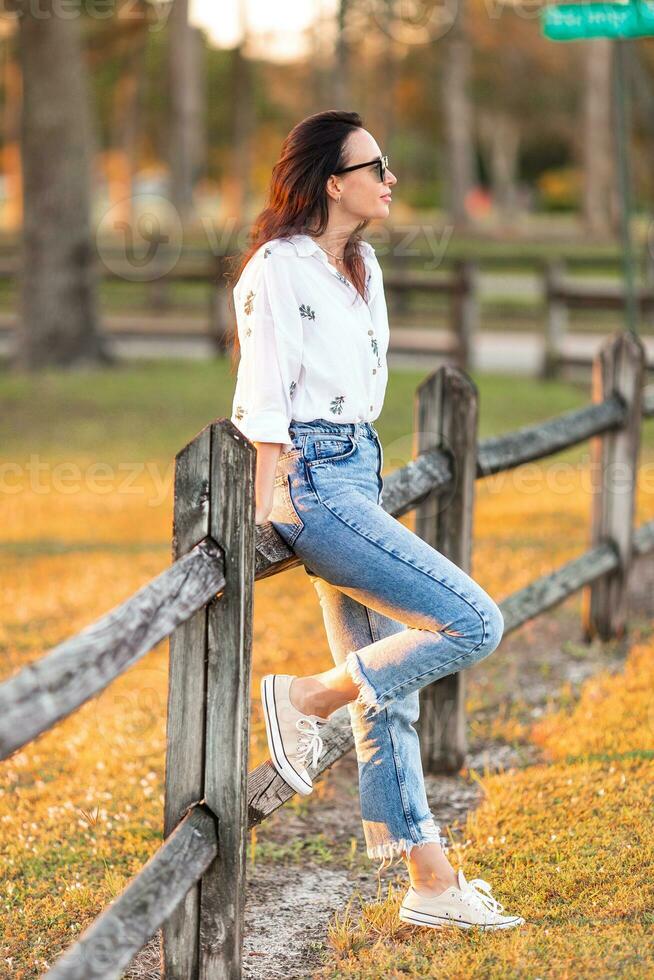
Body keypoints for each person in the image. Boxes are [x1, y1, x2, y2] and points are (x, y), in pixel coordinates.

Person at [227, 109, 525, 931]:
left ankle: (431, 883)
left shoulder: (361, 266)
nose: (391, 177)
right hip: (315, 481)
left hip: (360, 468)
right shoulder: (278, 269)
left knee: (387, 693)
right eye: (376, 164)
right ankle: (306, 698)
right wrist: (267, 508)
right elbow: (262, 398)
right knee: (471, 621)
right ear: (333, 181)